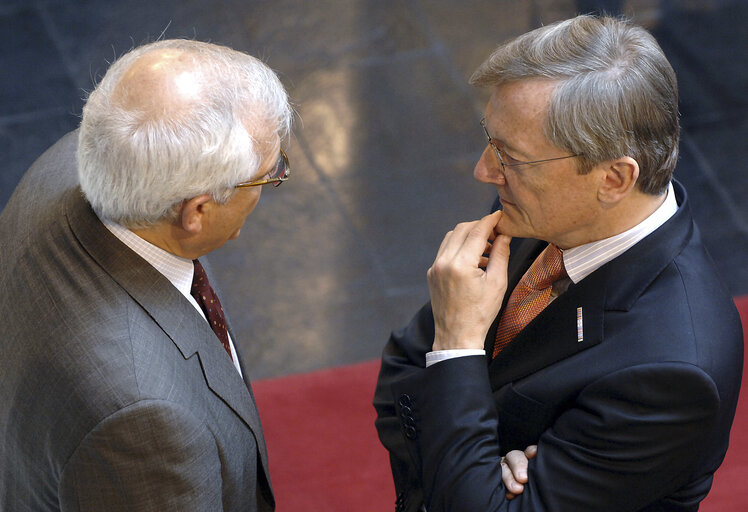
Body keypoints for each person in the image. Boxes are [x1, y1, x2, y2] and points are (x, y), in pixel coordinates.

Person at [373, 14, 743, 512]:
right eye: (491, 138)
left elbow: (436, 375)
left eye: (510, 155)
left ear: (613, 179)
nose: (484, 170)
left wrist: (458, 346)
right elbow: (399, 372)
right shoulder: (535, 210)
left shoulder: (674, 370)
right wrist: (481, 471)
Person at [0, 39, 292, 511]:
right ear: (196, 210)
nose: (272, 181)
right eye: (268, 176)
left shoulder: (76, 160)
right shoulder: (147, 423)